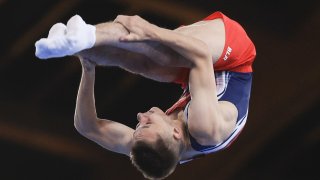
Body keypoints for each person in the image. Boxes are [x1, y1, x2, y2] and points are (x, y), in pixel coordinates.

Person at [35, 11, 256, 179]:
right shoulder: (204, 129)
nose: (141, 117)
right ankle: (85, 37)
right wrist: (149, 30)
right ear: (176, 134)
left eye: (139, 125)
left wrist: (88, 67)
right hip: (235, 60)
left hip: (197, 78)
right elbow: (199, 55)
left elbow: (88, 127)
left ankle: (78, 42)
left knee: (142, 63)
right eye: (147, 124)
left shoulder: (153, 145)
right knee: (156, 48)